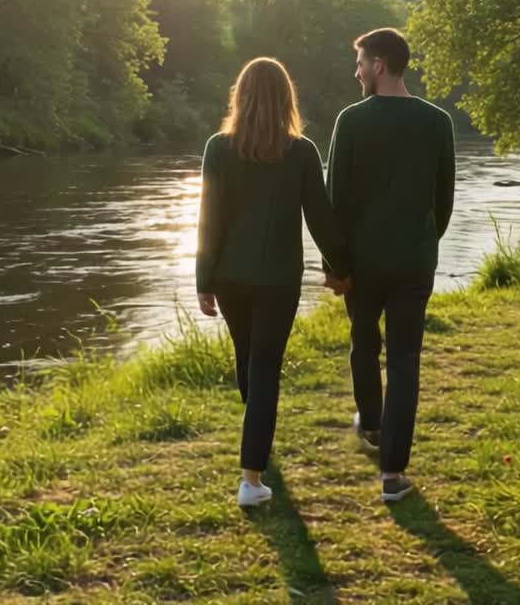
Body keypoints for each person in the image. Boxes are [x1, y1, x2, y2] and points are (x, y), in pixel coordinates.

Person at [195, 57, 351, 508]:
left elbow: (209, 221)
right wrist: (339, 266)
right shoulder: (300, 151)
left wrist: (204, 280)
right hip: (279, 280)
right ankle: (251, 476)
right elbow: (320, 216)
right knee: (263, 369)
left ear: (238, 97)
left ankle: (255, 448)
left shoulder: (218, 148)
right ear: (287, 99)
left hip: (229, 277)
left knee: (249, 361)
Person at [326, 28, 456, 502]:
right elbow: (443, 201)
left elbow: (335, 199)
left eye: (360, 62)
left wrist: (336, 265)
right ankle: (392, 473)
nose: (356, 70)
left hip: (362, 264)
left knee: (364, 344)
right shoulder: (437, 121)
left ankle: (375, 426)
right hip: (413, 262)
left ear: (379, 65)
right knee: (404, 361)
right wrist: (421, 242)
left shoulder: (351, 121)